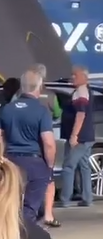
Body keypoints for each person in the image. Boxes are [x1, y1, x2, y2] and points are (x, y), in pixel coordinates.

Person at [0, 69, 56, 222]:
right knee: (30, 208)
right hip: (34, 163)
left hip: (10, 161)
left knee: (10, 204)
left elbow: (1, 137)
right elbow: (49, 143)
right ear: (39, 87)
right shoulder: (41, 111)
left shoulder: (6, 109)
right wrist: (49, 166)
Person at [29, 64, 62, 227]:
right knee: (49, 177)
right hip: (46, 137)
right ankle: (48, 214)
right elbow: (58, 113)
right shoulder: (51, 95)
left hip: (28, 142)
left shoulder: (22, 95)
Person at [59, 65, 95, 207]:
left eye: (75, 75)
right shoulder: (86, 91)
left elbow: (80, 114)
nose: (72, 77)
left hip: (79, 138)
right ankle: (87, 198)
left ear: (84, 78)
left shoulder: (81, 92)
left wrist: (74, 135)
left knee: (69, 166)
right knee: (84, 166)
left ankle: (65, 199)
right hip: (87, 136)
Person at [0, 140, 52, 239]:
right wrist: (49, 168)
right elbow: (49, 143)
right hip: (34, 162)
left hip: (15, 157)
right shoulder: (39, 235)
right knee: (30, 210)